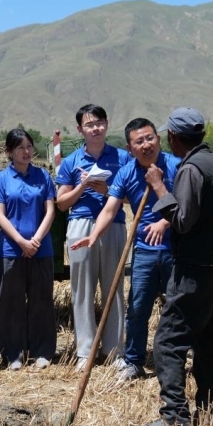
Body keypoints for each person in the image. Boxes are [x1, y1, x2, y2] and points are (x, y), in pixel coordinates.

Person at [143, 107, 213, 426]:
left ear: (173, 136)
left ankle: (175, 417)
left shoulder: (192, 169)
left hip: (195, 271)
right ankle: (211, 408)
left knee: (169, 341)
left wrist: (158, 186)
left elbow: (182, 221)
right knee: (209, 340)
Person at [70, 118, 179, 381]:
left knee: (180, 307)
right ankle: (134, 361)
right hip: (144, 250)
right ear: (130, 149)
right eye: (139, 141)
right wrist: (94, 235)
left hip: (177, 249)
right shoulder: (127, 172)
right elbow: (110, 209)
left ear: (159, 140)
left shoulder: (176, 166)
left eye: (150, 138)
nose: (146, 144)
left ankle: (181, 358)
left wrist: (165, 222)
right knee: (138, 308)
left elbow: (187, 204)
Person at [56, 104, 131, 372]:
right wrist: (83, 186)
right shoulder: (71, 161)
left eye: (99, 123)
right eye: (89, 124)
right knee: (82, 291)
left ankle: (114, 351)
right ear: (80, 129)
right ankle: (85, 353)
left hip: (114, 225)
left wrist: (107, 190)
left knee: (114, 288)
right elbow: (62, 203)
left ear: (107, 124)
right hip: (81, 224)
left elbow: (131, 197)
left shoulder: (123, 158)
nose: (95, 128)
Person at [0, 128, 57, 370]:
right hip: (11, 250)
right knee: (10, 302)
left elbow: (50, 211)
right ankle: (13, 354)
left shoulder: (43, 176)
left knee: (41, 300)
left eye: (29, 147)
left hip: (41, 249)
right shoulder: (1, 179)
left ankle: (42, 351)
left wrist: (35, 240)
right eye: (20, 148)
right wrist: (21, 242)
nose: (26, 152)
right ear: (9, 151)